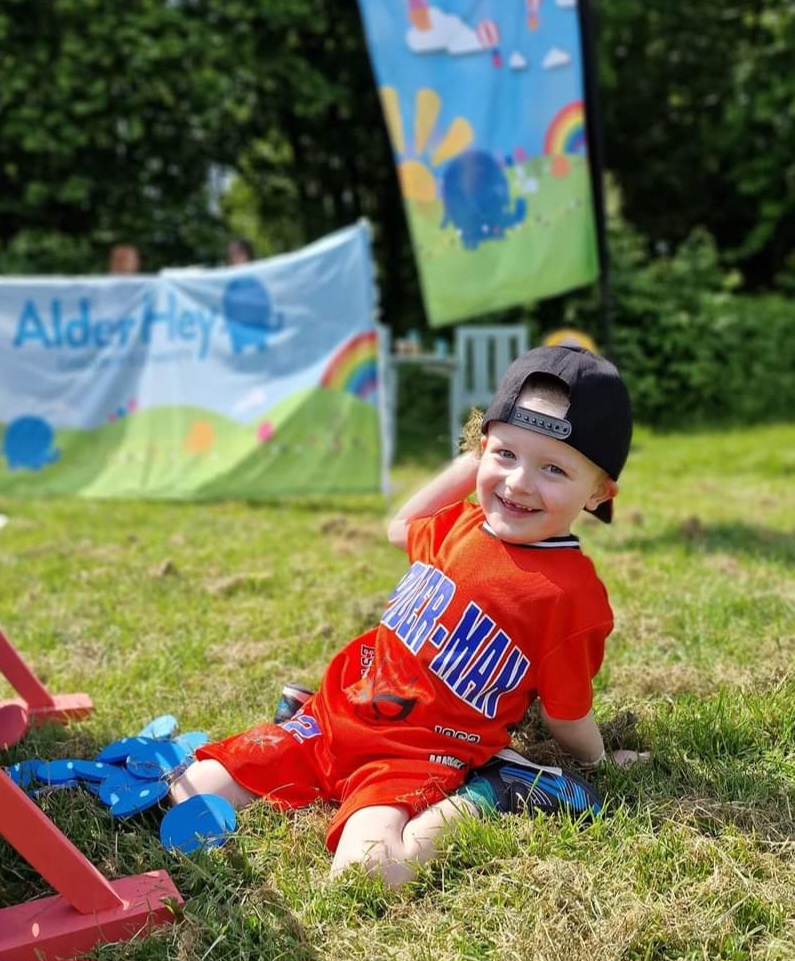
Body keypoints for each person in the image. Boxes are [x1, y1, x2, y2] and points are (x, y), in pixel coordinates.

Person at [170, 345, 645, 885]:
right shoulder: (459, 526)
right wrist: (478, 456)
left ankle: (498, 787)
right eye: (505, 455)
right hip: (340, 715)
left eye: (553, 468)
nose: (517, 483)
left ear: (599, 492)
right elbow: (402, 527)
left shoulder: (569, 595)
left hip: (420, 750)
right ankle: (300, 722)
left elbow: (565, 713)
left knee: (368, 873)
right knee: (189, 790)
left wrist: (596, 761)